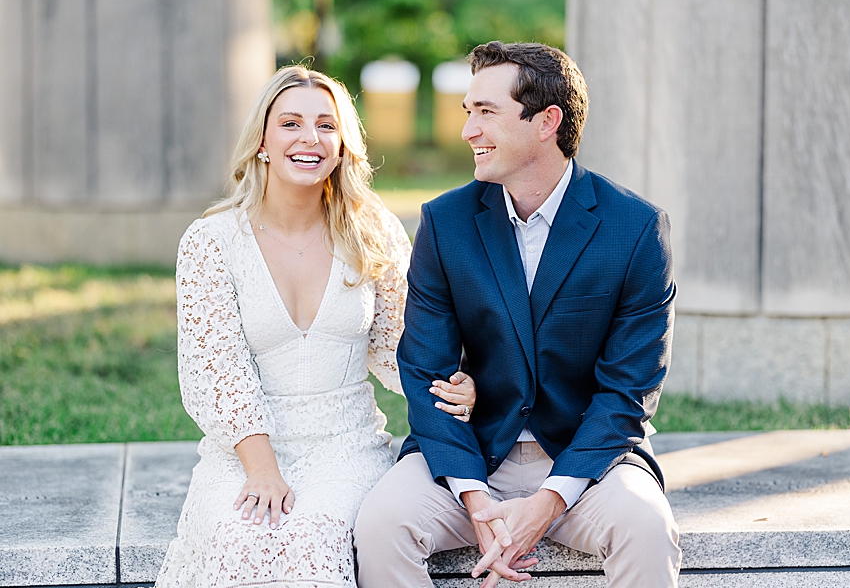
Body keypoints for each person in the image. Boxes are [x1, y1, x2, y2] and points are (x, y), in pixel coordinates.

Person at [354, 41, 681, 588]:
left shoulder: (636, 229)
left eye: (486, 112)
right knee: (382, 523)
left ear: (546, 121)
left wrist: (550, 501)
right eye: (468, 112)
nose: (467, 131)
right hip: (471, 455)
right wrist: (478, 501)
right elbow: (424, 369)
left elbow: (629, 390)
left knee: (647, 527)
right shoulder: (445, 223)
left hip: (587, 462)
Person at [154, 65, 476, 588]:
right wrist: (261, 469)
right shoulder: (210, 242)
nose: (310, 138)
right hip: (243, 451)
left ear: (344, 142)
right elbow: (220, 371)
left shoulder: (373, 232)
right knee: (238, 538)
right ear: (261, 139)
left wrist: (456, 383)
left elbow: (400, 346)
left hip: (344, 445)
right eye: (291, 124)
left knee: (311, 537)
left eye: (327, 125)